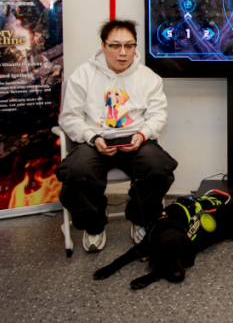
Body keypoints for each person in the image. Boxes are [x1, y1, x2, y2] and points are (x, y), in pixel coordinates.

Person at [55, 19, 177, 252]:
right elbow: (69, 118)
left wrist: (143, 135)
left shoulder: (148, 77)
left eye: (129, 46)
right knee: (78, 170)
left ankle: (141, 219)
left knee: (158, 167)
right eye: (115, 45)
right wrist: (92, 137)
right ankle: (94, 225)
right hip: (95, 140)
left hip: (136, 139)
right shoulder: (83, 75)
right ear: (103, 46)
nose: (123, 52)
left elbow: (158, 116)